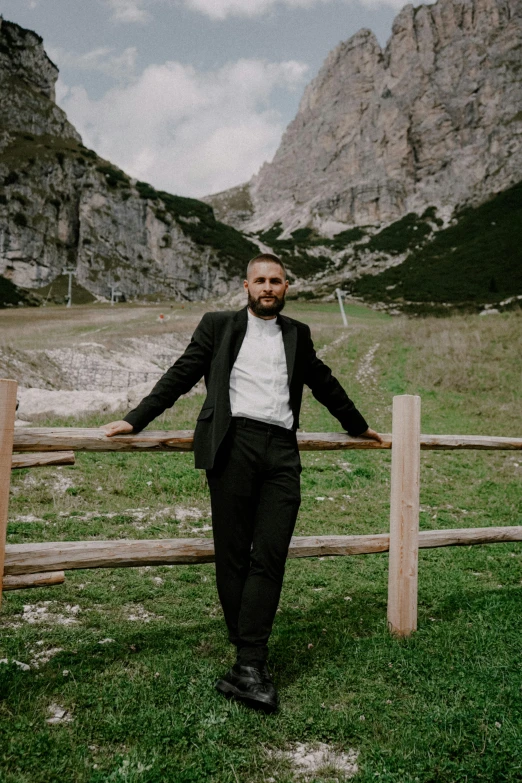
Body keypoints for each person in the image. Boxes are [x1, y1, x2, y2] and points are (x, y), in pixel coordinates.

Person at [102, 253, 382, 713]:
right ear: (246, 286)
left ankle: (249, 664)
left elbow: (323, 382)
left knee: (269, 554)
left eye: (275, 281)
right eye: (260, 281)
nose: (267, 287)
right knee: (232, 556)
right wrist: (135, 420)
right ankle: (247, 656)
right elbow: (181, 373)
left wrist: (357, 425)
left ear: (287, 287)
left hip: (281, 453)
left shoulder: (298, 333)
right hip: (232, 445)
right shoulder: (218, 325)